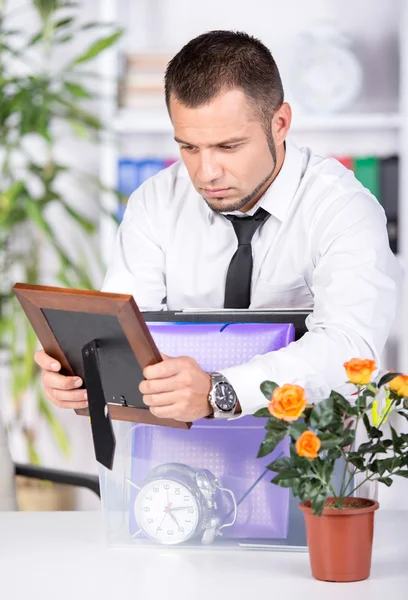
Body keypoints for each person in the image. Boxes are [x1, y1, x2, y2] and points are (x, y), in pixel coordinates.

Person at [34, 30, 401, 424]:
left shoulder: (343, 208)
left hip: (311, 458)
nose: (206, 173)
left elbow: (349, 350)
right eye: (189, 147)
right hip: (173, 454)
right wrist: (86, 379)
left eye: (228, 147)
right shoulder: (155, 202)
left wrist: (219, 391)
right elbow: (126, 336)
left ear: (280, 123)